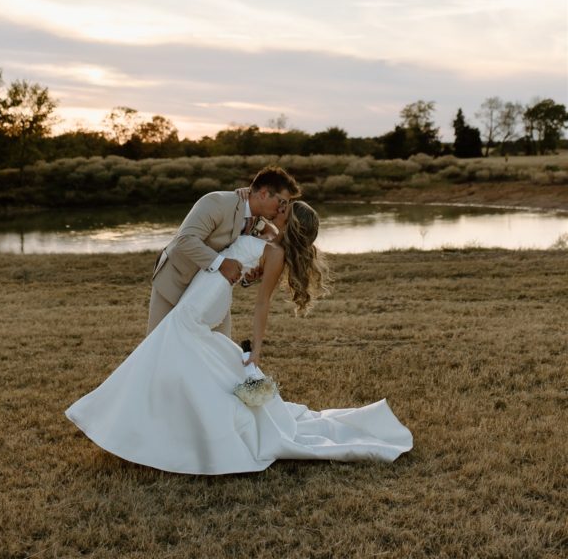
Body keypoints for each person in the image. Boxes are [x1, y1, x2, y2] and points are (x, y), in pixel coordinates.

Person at [65, 200, 413, 475]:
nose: (278, 209)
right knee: (185, 351)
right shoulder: (264, 236)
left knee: (179, 342)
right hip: (208, 288)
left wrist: (257, 352)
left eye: (285, 210)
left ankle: (162, 435)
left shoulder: (275, 252)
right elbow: (241, 260)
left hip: (208, 297)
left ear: (290, 222)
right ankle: (161, 430)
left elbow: (262, 305)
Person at [147, 165, 300, 336]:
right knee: (159, 344)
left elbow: (259, 240)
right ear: (263, 193)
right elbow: (185, 240)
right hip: (176, 281)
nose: (282, 209)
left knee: (218, 348)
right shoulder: (216, 202)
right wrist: (222, 263)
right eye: (282, 202)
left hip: (212, 292)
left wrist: (248, 275)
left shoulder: (257, 220)